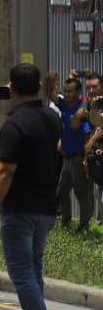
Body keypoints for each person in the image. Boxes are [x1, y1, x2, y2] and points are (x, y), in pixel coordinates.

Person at [0, 63, 61, 310]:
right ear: (39, 86)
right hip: (46, 207)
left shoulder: (14, 125)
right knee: (33, 267)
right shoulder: (53, 118)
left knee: (21, 272)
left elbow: (5, 171)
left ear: (11, 88)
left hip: (19, 209)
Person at [55, 77, 94, 231]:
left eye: (70, 91)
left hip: (78, 157)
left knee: (80, 191)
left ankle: (84, 224)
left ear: (78, 93)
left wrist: (85, 158)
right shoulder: (65, 105)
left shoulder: (81, 110)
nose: (67, 94)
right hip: (66, 157)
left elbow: (86, 133)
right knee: (62, 190)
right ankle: (65, 221)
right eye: (65, 91)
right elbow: (52, 96)